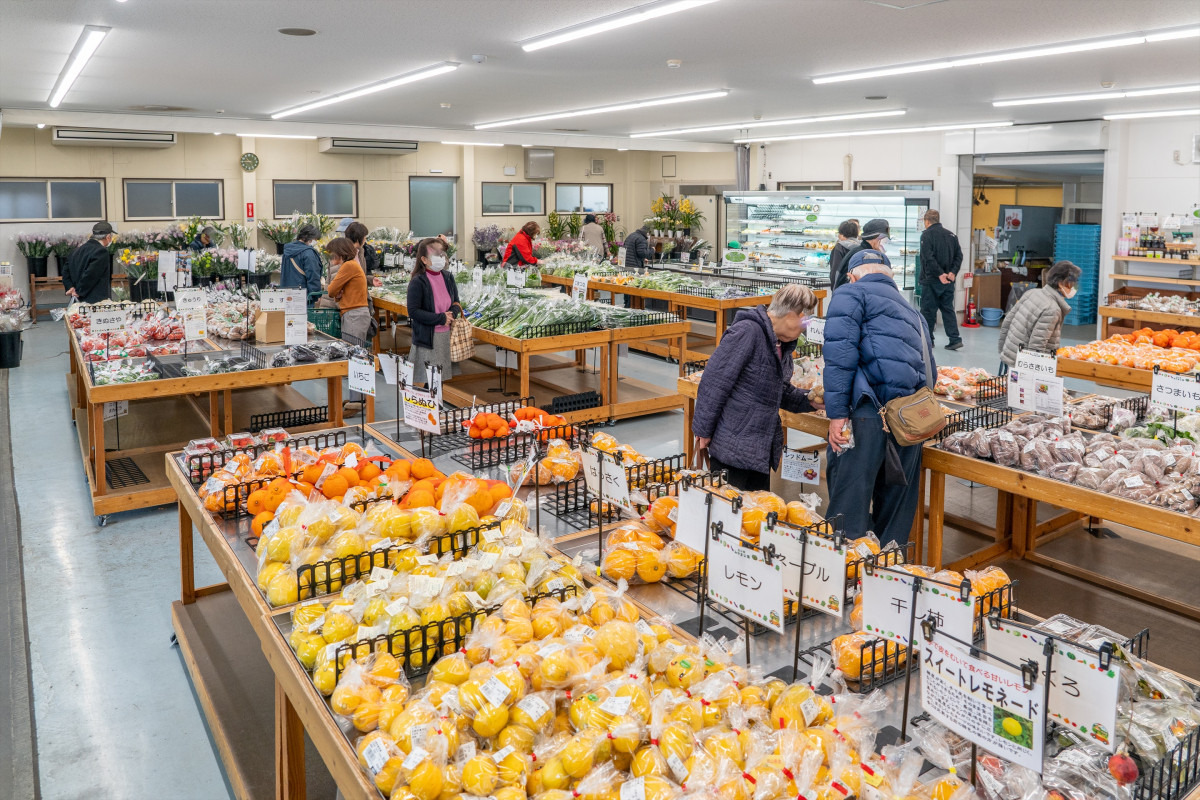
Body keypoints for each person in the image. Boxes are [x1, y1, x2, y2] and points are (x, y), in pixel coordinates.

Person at [823, 250, 935, 547]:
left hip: (866, 414)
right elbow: (930, 373)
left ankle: (843, 576)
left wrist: (836, 415)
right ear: (890, 276)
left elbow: (839, 357)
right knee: (896, 506)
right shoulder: (913, 311)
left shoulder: (850, 294)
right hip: (908, 420)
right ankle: (888, 575)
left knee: (849, 503)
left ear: (852, 275)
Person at [691, 284, 820, 491]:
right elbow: (714, 383)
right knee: (728, 512)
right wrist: (703, 431)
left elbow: (780, 391)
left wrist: (809, 400)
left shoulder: (781, 345)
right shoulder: (747, 332)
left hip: (759, 449)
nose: (805, 326)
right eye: (805, 319)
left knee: (756, 514)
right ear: (791, 315)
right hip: (733, 446)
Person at [998, 260, 1081, 370]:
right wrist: (1033, 374)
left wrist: (1003, 353)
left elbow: (1007, 321)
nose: (1075, 286)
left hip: (1010, 358)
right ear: (1061, 283)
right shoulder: (1052, 309)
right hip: (1023, 366)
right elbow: (1037, 346)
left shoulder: (1031, 293)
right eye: (1073, 283)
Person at [325, 237, 372, 415]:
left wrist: (338, 292)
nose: (332, 258)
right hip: (354, 314)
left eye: (333, 255)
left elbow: (331, 290)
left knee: (356, 358)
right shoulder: (353, 265)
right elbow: (337, 293)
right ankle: (357, 399)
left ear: (340, 253)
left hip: (355, 315)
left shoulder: (349, 266)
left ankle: (357, 401)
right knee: (356, 357)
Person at [407, 236, 462, 387]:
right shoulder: (418, 281)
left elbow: (456, 302)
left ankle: (436, 409)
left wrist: (451, 314)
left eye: (442, 255)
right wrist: (440, 318)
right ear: (424, 259)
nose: (441, 258)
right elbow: (413, 311)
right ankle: (427, 410)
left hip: (446, 336)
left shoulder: (448, 276)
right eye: (436, 255)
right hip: (428, 337)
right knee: (428, 381)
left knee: (439, 381)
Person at [919, 210, 964, 351]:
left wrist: (939, 274)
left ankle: (928, 340)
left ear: (926, 221)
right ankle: (955, 339)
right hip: (948, 281)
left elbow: (928, 257)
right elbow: (959, 256)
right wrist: (952, 272)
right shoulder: (952, 235)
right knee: (948, 309)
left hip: (931, 279)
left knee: (928, 311)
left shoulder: (926, 235)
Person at [831, 218, 889, 290]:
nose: (886, 241)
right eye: (884, 237)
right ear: (875, 238)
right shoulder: (862, 255)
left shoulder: (870, 253)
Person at [64, 221, 115, 304]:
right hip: (95, 303)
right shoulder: (101, 251)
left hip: (77, 302)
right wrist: (78, 291)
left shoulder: (76, 250)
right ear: (108, 237)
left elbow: (66, 271)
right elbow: (91, 275)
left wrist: (70, 287)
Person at [281, 223, 323, 300]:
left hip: (288, 295)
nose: (316, 242)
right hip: (305, 297)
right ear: (310, 238)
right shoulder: (308, 253)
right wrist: (316, 295)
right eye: (316, 239)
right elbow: (313, 275)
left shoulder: (287, 250)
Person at [827, 219, 860, 290]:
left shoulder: (840, 247)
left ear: (841, 233)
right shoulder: (862, 246)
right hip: (858, 285)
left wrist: (834, 289)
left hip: (843, 287)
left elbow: (836, 271)